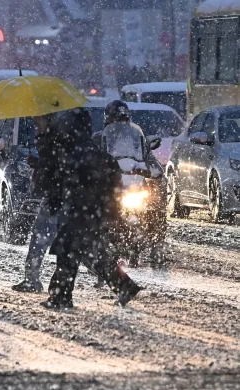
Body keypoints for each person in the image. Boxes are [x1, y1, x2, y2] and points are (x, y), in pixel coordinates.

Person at [43, 108, 143, 309]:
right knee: (88, 252)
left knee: (70, 251)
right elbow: (113, 183)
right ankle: (123, 286)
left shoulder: (73, 154)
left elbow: (61, 183)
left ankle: (60, 296)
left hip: (79, 212)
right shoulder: (95, 152)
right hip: (94, 212)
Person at [95, 100, 166, 266]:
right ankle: (99, 242)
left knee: (155, 207)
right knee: (97, 208)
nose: (120, 120)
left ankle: (157, 244)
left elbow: (150, 159)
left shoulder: (136, 137)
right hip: (112, 185)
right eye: (116, 117)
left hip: (133, 183)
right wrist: (100, 170)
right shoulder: (100, 138)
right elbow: (93, 160)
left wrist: (152, 171)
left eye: (123, 117)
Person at [12, 114, 61, 293]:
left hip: (55, 198)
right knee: (74, 246)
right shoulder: (51, 139)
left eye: (38, 121)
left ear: (48, 120)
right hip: (57, 197)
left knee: (40, 239)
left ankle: (32, 280)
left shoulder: (52, 141)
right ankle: (117, 281)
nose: (35, 125)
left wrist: (39, 165)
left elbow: (54, 168)